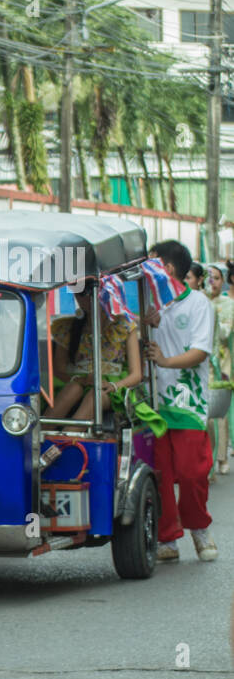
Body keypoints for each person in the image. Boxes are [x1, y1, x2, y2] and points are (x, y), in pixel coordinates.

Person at [143, 240, 216, 562]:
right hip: (156, 406)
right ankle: (167, 538)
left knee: (191, 474)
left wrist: (165, 361)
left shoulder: (199, 303)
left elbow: (200, 352)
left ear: (167, 269)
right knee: (160, 475)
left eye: (152, 264)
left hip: (188, 404)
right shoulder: (152, 307)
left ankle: (199, 528)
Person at [45, 279, 142, 421]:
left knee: (95, 395)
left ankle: (70, 437)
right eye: (78, 294)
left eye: (87, 294)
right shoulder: (67, 328)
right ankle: (45, 436)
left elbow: (136, 375)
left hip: (113, 388)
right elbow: (59, 368)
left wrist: (114, 386)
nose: (82, 299)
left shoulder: (124, 326)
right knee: (73, 389)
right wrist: (80, 380)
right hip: (76, 382)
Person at [206, 264, 233, 475]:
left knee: (219, 414)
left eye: (215, 278)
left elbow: (224, 334)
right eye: (209, 278)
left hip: (222, 363)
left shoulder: (228, 304)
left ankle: (222, 457)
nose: (212, 282)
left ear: (222, 281)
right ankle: (207, 460)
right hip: (202, 362)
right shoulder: (201, 301)